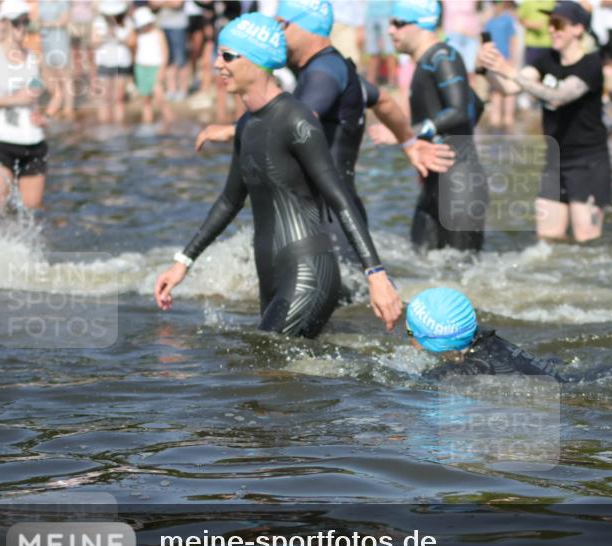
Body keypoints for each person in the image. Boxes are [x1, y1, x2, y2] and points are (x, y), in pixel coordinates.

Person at [154, 13, 402, 337]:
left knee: (270, 366)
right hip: (272, 277)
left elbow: (338, 197)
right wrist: (182, 263)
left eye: (227, 55)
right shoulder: (246, 124)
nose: (217, 65)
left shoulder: (296, 119)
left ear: (256, 60)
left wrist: (377, 275)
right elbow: (229, 201)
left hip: (309, 272)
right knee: (273, 376)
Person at [194, 0, 456, 240]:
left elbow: (297, 119)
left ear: (303, 26)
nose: (276, 36)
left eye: (280, 25)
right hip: (341, 214)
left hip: (328, 221)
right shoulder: (335, 68)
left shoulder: (322, 75)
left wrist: (232, 130)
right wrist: (409, 144)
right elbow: (384, 101)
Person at [479, 0, 610, 243]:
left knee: (587, 241)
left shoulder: (590, 64)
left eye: (558, 24)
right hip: (554, 160)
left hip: (588, 162)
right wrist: (487, 69)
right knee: (548, 241)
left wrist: (511, 72)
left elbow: (558, 97)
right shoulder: (546, 60)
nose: (551, 29)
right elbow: (508, 87)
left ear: (578, 29)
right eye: (550, 23)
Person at [390, 0, 488, 252]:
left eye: (399, 23)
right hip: (435, 182)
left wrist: (407, 133)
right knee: (421, 263)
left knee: (462, 275)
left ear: (422, 24)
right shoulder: (426, 62)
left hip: (459, 186)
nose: (391, 30)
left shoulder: (443, 57)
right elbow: (474, 105)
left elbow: (459, 111)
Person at [0, 0, 61, 210]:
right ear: (5, 23)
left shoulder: (34, 57)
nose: (23, 27)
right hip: (0, 141)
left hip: (33, 143)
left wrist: (48, 116)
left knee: (31, 213)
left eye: (26, 22)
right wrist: (14, 100)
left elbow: (58, 94)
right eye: (18, 22)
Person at [407, 288, 567, 382]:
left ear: (437, 341)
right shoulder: (484, 338)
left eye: (410, 331)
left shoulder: (454, 373)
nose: (409, 337)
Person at [92, 0, 135, 124]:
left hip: (122, 62)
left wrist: (119, 36)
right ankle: (104, 127)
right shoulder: (98, 22)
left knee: (119, 98)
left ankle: (119, 127)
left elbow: (132, 42)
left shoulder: (127, 22)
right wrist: (106, 35)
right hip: (104, 62)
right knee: (104, 98)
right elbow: (93, 41)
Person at [132, 6, 172, 124]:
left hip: (155, 67)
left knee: (160, 99)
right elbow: (132, 46)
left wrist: (162, 70)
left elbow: (165, 52)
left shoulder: (158, 33)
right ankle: (147, 125)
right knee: (145, 100)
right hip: (141, 67)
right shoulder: (138, 34)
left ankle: (169, 123)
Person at [484, 1, 519, 128]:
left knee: (510, 90)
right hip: (493, 62)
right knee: (496, 90)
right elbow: (485, 41)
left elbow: (512, 39)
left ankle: (508, 118)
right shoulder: (489, 22)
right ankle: (496, 118)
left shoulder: (507, 20)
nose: (494, 7)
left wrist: (512, 58)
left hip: (506, 60)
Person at [38, 0, 74, 120]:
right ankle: (57, 103)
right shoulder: (41, 2)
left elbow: (65, 21)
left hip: (59, 41)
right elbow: (36, 20)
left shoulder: (62, 2)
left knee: (64, 76)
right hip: (46, 42)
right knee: (50, 77)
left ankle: (68, 108)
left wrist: (48, 24)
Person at [151, 0, 189, 101]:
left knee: (181, 59)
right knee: (168, 59)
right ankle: (171, 89)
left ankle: (183, 90)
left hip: (178, 26)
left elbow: (177, 3)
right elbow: (152, 4)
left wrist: (161, 3)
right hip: (162, 25)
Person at [365, 0, 397, 85]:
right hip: (370, 15)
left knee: (389, 50)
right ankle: (370, 83)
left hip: (387, 14)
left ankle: (392, 82)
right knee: (373, 51)